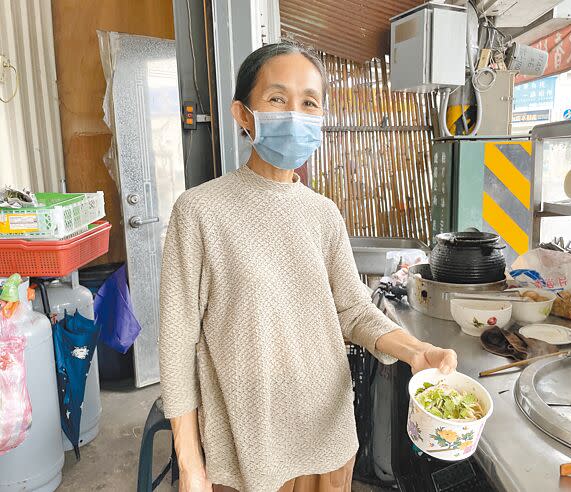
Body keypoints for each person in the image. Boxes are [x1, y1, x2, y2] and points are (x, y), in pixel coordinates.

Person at [158, 40, 458, 492]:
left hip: (328, 438)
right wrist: (189, 463)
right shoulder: (199, 211)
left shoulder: (324, 214)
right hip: (246, 449)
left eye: (309, 103)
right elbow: (177, 342)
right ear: (244, 115)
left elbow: (354, 312)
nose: (295, 114)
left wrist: (417, 351)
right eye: (277, 99)